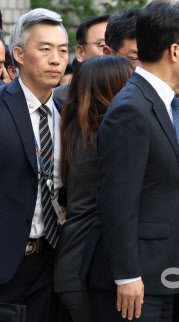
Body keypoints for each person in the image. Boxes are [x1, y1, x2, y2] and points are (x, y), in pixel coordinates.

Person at [86, 2, 179, 321]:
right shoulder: (132, 109)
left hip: (161, 272)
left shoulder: (162, 101)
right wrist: (127, 276)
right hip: (137, 280)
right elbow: (117, 201)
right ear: (175, 51)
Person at [0, 8, 68, 322]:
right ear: (19, 54)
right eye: (45, 49)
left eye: (63, 50)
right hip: (7, 261)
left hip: (55, 260)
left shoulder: (68, 113)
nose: (57, 59)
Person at [55, 55, 133, 322]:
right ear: (114, 88)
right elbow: (159, 168)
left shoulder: (76, 130)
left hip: (74, 263)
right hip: (87, 267)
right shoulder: (107, 136)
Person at [54, 15, 109, 100]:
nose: (110, 51)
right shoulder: (55, 99)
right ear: (80, 52)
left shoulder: (132, 96)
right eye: (102, 45)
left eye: (116, 45)